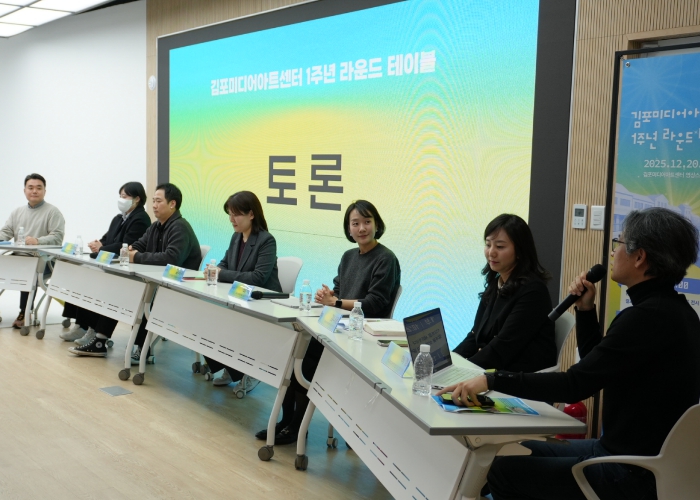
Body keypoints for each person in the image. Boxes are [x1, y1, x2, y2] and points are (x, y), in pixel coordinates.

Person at [438, 207, 700, 500]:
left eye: (619, 244)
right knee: (517, 450)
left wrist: (492, 379)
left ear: (639, 257)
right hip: (633, 457)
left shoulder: (645, 318)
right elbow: (595, 369)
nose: (613, 252)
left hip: (632, 471)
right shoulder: (676, 313)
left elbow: (575, 384)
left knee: (502, 471)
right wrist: (586, 310)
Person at [256, 200, 401, 445]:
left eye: (367, 222)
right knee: (294, 353)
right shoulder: (348, 256)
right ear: (348, 228)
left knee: (306, 359)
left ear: (377, 224)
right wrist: (328, 296)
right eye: (355, 223)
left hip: (362, 335)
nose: (362, 228)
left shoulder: (386, 258)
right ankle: (286, 420)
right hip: (340, 327)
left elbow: (375, 303)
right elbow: (339, 291)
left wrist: (336, 302)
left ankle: (297, 427)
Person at [452, 214, 556, 372]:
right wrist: (450, 361)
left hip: (518, 376)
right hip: (493, 369)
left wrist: (462, 371)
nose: (491, 252)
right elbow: (475, 335)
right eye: (488, 245)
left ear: (519, 251)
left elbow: (502, 347)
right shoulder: (497, 283)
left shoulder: (533, 292)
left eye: (500, 247)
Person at [203, 191, 282, 393]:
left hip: (263, 303)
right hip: (239, 299)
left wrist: (221, 274)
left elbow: (258, 278)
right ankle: (233, 368)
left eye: (236, 214)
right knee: (205, 320)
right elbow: (225, 263)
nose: (232, 219)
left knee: (227, 324)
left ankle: (248, 371)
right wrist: (214, 269)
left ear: (251, 214)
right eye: (230, 214)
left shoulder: (266, 240)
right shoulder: (236, 237)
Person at [61, 182, 151, 357]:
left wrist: (102, 248)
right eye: (120, 196)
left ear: (137, 199)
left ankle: (93, 330)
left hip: (123, 268)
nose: (121, 200)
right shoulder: (119, 218)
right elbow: (107, 238)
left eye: (125, 197)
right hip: (111, 264)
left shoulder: (141, 219)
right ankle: (82, 325)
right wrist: (98, 244)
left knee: (97, 284)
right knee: (83, 274)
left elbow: (127, 245)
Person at [127, 183, 201, 362]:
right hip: (160, 283)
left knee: (145, 298)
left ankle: (143, 349)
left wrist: (137, 256)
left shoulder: (180, 227)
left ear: (172, 204)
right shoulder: (156, 226)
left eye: (158, 201)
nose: (154, 205)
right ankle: (140, 347)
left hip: (179, 287)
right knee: (136, 294)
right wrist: (131, 250)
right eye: (153, 201)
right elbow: (139, 245)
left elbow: (171, 259)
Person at [0, 173, 65, 329]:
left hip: (42, 261)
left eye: (38, 188)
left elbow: (57, 237)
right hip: (19, 259)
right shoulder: (17, 212)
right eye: (30, 188)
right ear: (25, 191)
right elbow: (6, 232)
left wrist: (38, 241)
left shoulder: (53, 212)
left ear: (44, 191)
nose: (34, 191)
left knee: (29, 274)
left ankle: (25, 312)